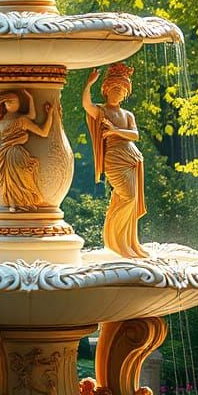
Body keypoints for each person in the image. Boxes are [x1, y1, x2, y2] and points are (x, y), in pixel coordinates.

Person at [83, 63, 148, 257]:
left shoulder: (128, 114)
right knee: (127, 196)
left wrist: (115, 131)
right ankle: (117, 242)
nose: (117, 93)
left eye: (121, 90)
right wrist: (88, 84)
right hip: (114, 159)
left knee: (130, 200)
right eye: (114, 89)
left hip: (132, 158)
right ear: (106, 90)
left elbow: (135, 135)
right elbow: (87, 105)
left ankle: (129, 243)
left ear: (125, 94)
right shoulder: (102, 111)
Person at [0, 89, 60, 210]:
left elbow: (30, 116)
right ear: (8, 105)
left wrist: (31, 99)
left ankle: (14, 204)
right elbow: (44, 132)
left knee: (13, 182)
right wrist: (50, 114)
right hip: (16, 154)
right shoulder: (22, 121)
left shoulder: (1, 121)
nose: (17, 104)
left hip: (5, 155)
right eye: (14, 102)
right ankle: (23, 203)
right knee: (23, 180)